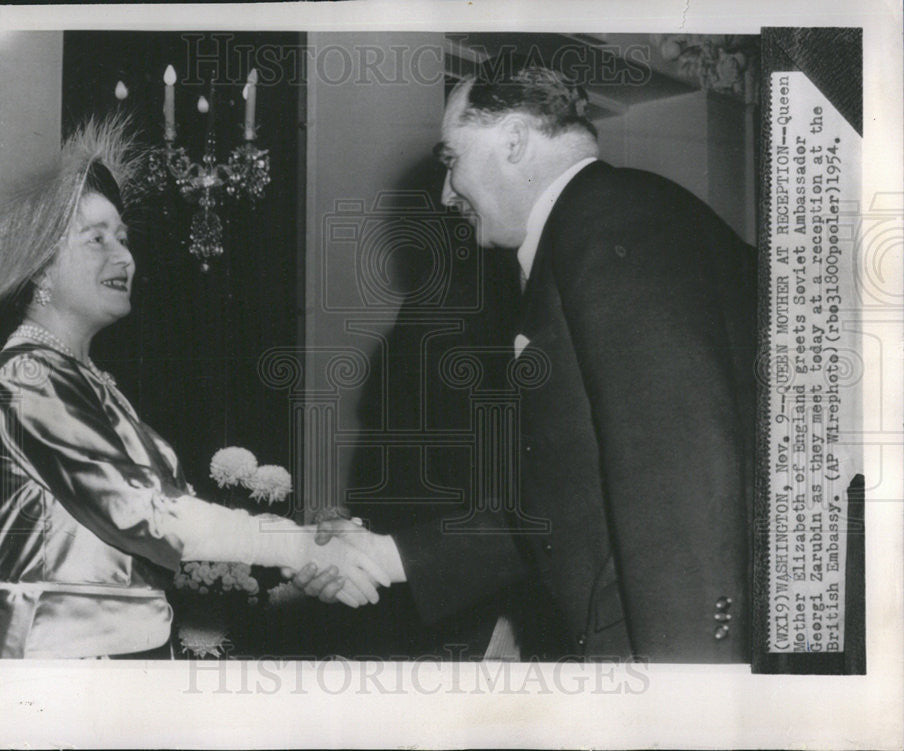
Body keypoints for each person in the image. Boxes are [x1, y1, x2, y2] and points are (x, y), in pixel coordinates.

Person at [296, 65, 757, 663]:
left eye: (450, 158)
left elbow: (684, 479)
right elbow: (564, 507)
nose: (445, 193)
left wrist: (689, 700)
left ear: (513, 140)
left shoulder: (612, 223)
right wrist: (385, 557)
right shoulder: (590, 230)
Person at [0, 117, 389, 659]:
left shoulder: (85, 378)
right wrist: (297, 545)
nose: (124, 255)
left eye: (123, 236)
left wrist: (300, 555)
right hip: (53, 665)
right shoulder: (29, 375)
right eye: (96, 239)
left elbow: (170, 516)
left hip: (115, 659)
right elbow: (149, 513)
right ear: (40, 267)